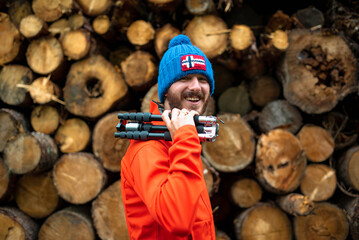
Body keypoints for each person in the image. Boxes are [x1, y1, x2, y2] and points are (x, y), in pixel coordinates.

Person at [120, 34, 216, 239]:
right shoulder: (148, 148)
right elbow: (178, 221)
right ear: (165, 92)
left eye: (203, 79)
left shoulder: (179, 140)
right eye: (184, 78)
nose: (196, 86)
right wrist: (186, 138)